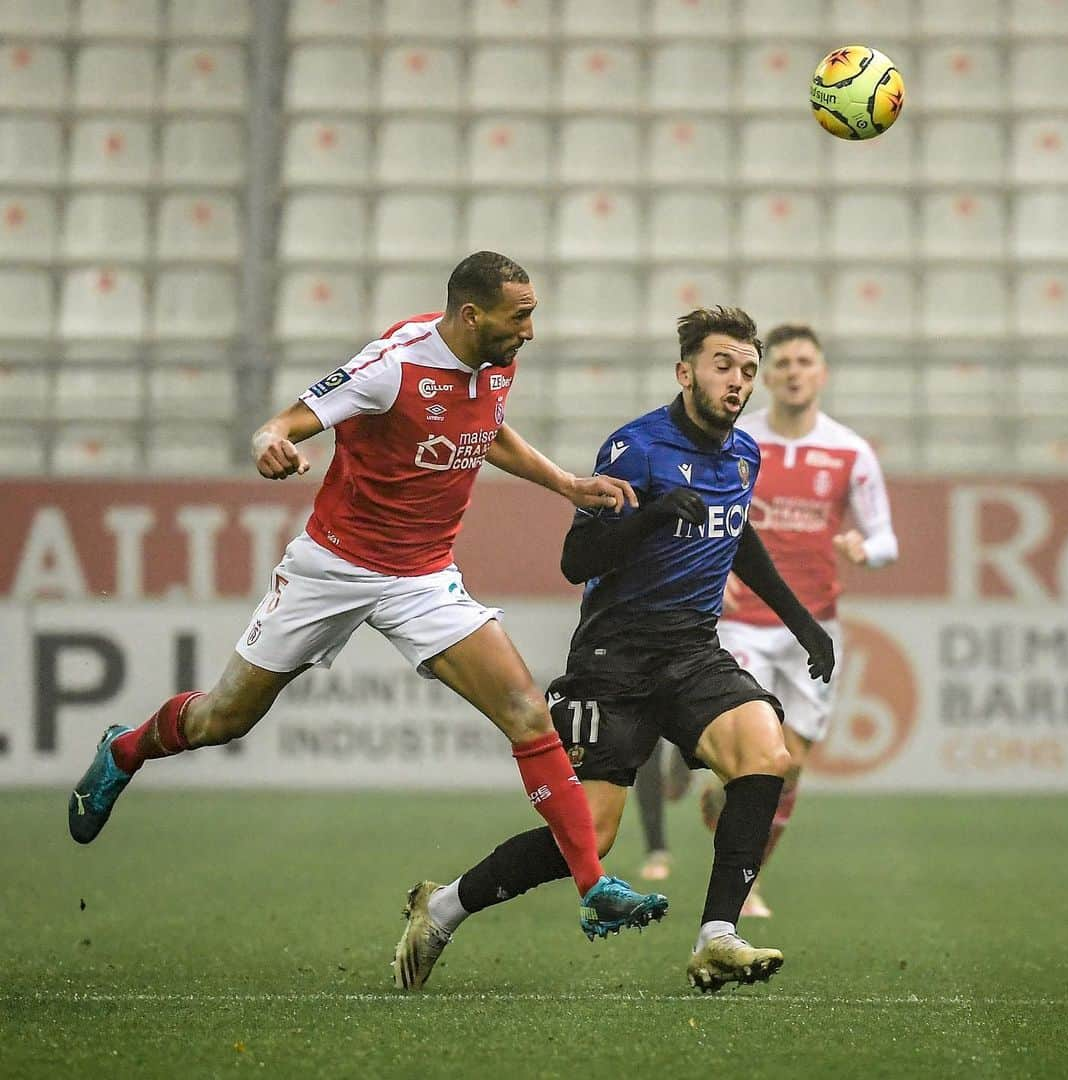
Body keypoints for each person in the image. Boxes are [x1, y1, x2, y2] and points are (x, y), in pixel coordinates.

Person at [67, 251, 668, 950]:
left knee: (525, 710)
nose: (530, 331)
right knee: (223, 719)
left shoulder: (496, 357)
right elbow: (285, 422)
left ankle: (595, 886)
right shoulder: (393, 365)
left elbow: (487, 430)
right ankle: (127, 749)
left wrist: (567, 483)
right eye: (520, 316)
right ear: (472, 315)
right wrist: (270, 446)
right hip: (335, 566)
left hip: (423, 575)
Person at [390, 306, 836, 994]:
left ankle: (717, 935)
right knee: (590, 841)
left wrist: (803, 625)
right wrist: (652, 513)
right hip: (615, 661)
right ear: (686, 372)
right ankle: (442, 905)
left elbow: (738, 537)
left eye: (748, 370)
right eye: (724, 366)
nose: (738, 381)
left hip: (691, 649)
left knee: (765, 754)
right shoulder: (636, 448)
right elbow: (577, 558)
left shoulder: (746, 454)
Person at [691, 322, 899, 917]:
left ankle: (749, 873)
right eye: (779, 363)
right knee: (755, 748)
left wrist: (867, 549)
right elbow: (701, 511)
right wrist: (715, 566)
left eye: (803, 361)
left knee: (793, 762)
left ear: (821, 372)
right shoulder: (736, 442)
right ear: (763, 376)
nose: (791, 372)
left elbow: (885, 536)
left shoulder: (849, 451)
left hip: (815, 626)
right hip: (740, 622)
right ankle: (736, 868)